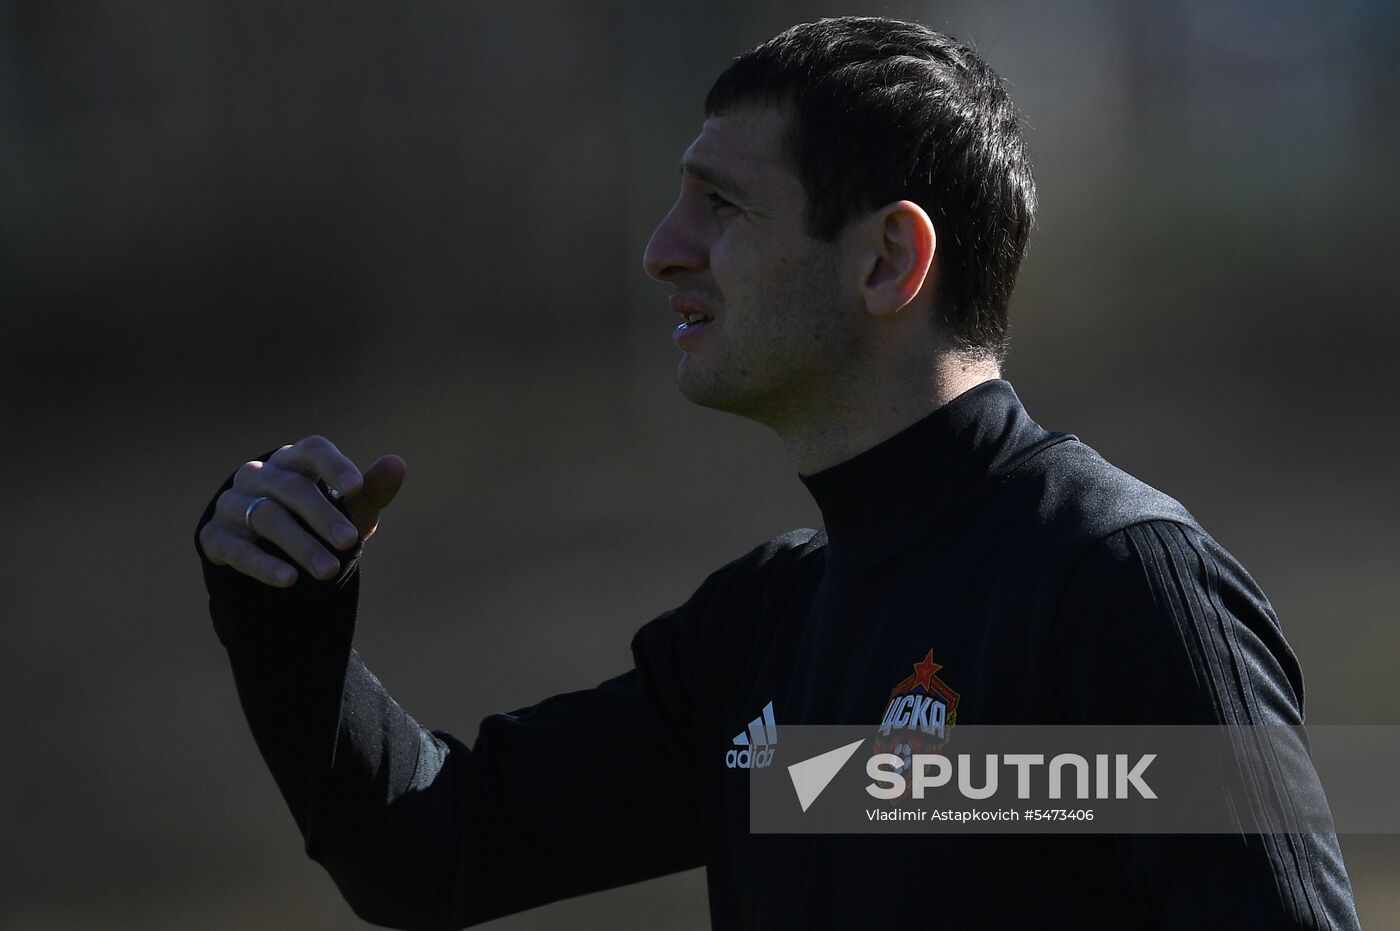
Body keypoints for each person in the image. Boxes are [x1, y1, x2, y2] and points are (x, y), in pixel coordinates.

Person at [194, 17, 1360, 929]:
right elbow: (431, 849)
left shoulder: (1116, 577)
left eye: (723, 205)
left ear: (888, 259)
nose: (662, 249)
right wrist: (284, 614)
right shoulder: (761, 630)